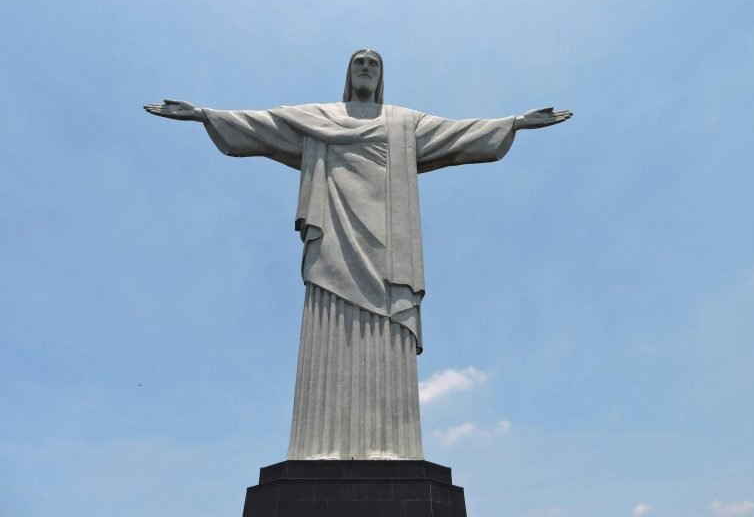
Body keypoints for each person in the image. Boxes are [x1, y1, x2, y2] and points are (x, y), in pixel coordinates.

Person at [144, 49, 571, 461]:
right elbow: (261, 125)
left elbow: (458, 133)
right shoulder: (317, 118)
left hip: (389, 242)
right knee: (329, 321)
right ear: (349, 74)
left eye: (373, 64)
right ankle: (316, 447)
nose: (366, 67)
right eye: (359, 63)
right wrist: (204, 114)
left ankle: (394, 447)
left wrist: (514, 122)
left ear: (380, 76)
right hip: (334, 232)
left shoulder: (404, 123)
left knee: (388, 326)